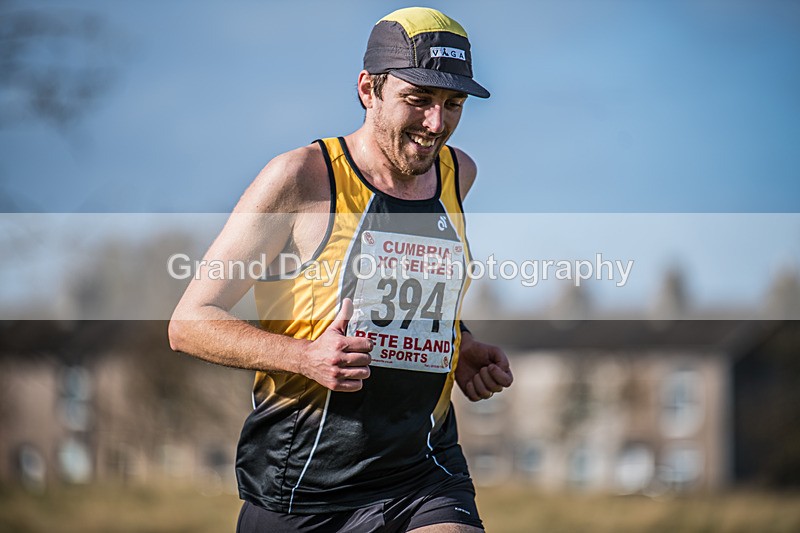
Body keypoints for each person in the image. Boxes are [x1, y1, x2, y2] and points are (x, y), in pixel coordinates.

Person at [169, 7, 513, 532]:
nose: (435, 124)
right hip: (305, 486)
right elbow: (189, 321)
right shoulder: (302, 178)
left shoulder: (457, 174)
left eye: (453, 103)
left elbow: (407, 288)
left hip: (424, 468)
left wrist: (458, 342)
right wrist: (303, 357)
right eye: (417, 100)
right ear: (368, 90)